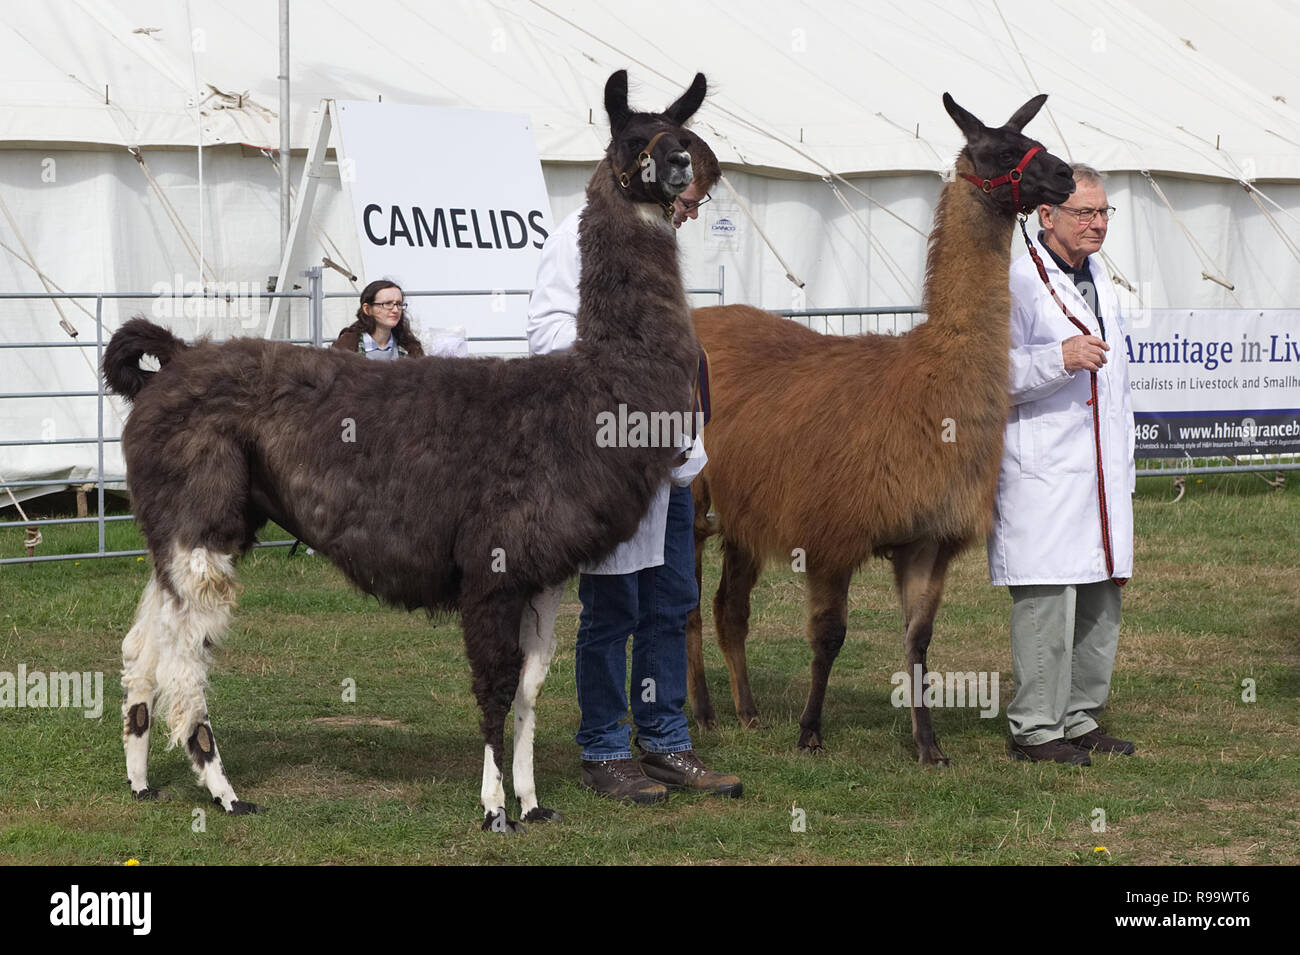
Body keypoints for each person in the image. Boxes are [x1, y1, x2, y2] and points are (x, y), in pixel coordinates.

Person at [527, 136, 742, 804]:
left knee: (671, 602)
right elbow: (548, 332)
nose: (694, 214)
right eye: (690, 199)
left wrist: (684, 434)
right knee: (613, 607)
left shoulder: (655, 246)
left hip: (667, 459)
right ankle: (604, 747)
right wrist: (627, 398)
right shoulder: (582, 237)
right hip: (611, 460)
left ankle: (665, 739)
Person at [989, 163, 1137, 765]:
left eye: (1104, 212)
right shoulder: (1018, 281)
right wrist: (1059, 357)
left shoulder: (1103, 279)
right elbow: (990, 375)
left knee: (1101, 597)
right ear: (1047, 216)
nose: (1097, 224)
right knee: (1048, 599)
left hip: (1099, 469)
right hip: (1043, 469)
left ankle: (1079, 716)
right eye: (1085, 212)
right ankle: (1035, 728)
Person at [333, 279, 426, 359]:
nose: (395, 310)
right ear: (367, 309)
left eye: (398, 304)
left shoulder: (409, 347)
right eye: (387, 304)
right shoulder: (347, 346)